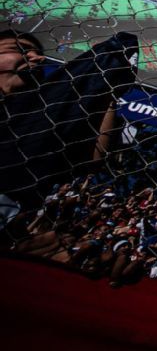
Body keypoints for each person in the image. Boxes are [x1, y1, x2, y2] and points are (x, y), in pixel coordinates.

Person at [0, 29, 138, 221]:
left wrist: (107, 89)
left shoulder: (47, 117)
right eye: (20, 49)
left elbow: (93, 158)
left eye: (36, 52)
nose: (38, 57)